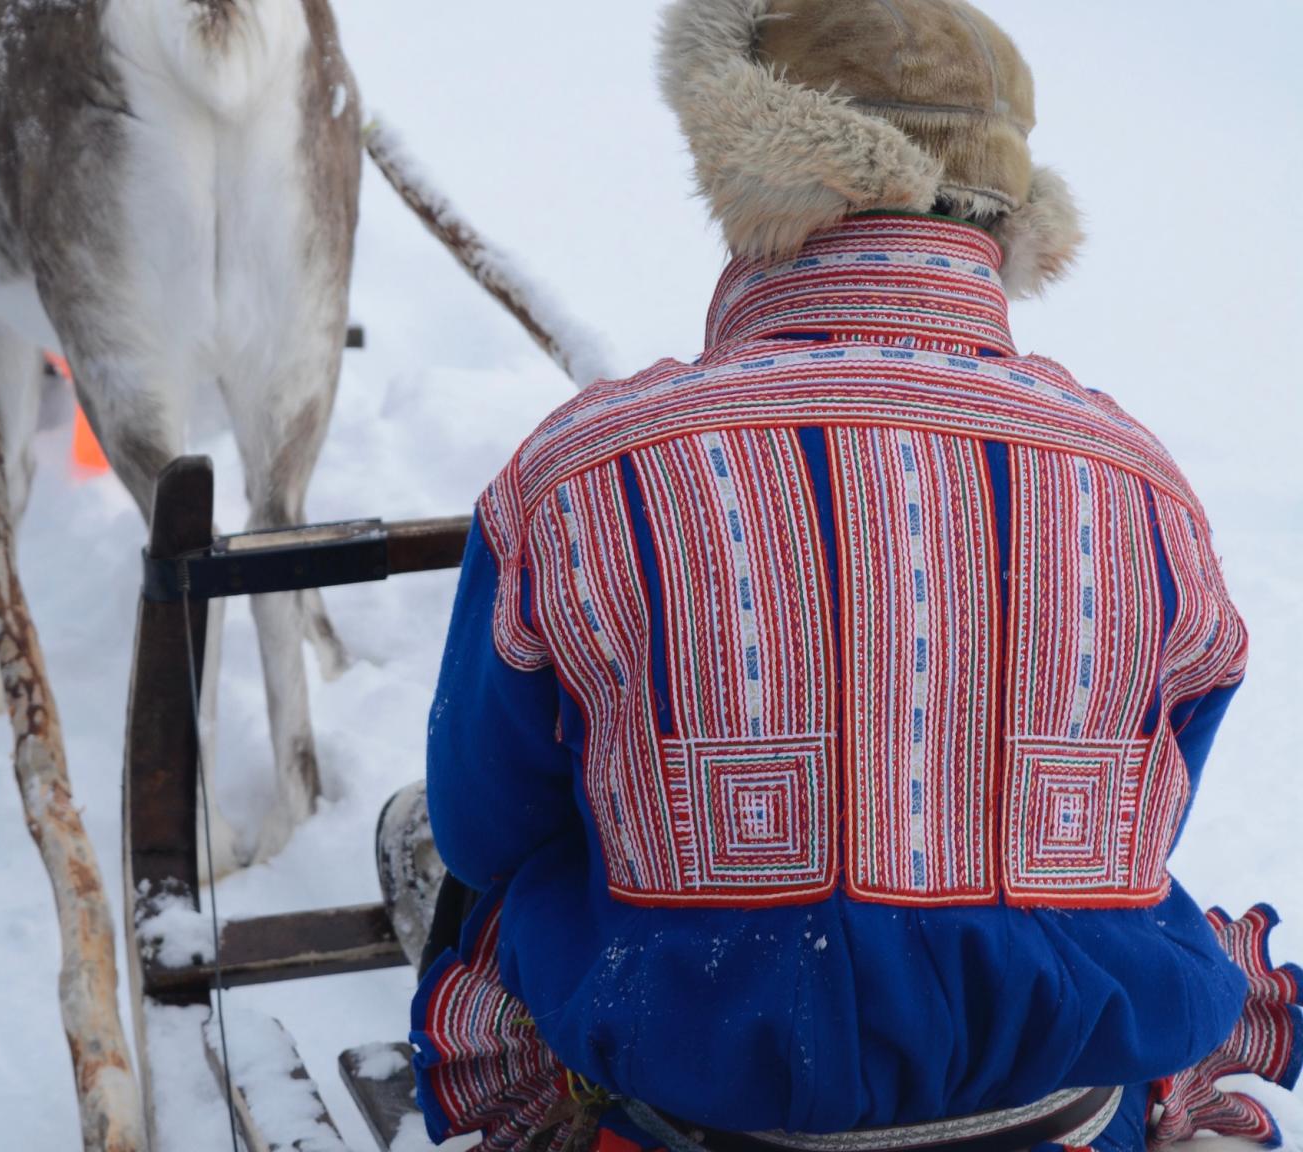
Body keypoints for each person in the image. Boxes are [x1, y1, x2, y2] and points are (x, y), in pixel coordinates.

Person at [383, 3, 1302, 1152]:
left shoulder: (581, 476)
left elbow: (483, 831)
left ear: (744, 161)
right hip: (1069, 1122)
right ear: (1009, 210)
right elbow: (1152, 821)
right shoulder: (1144, 482)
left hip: (699, 1123)